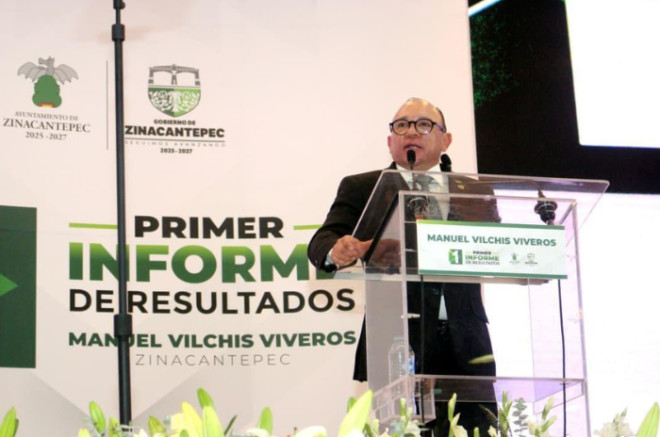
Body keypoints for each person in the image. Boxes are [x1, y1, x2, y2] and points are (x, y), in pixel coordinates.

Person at [307, 97, 499, 436]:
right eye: (401, 125)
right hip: (395, 340)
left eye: (423, 124)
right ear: (390, 141)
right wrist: (337, 250)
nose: (411, 131)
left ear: (446, 140)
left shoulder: (475, 189)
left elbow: (495, 247)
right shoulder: (363, 186)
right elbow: (321, 242)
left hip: (466, 342)